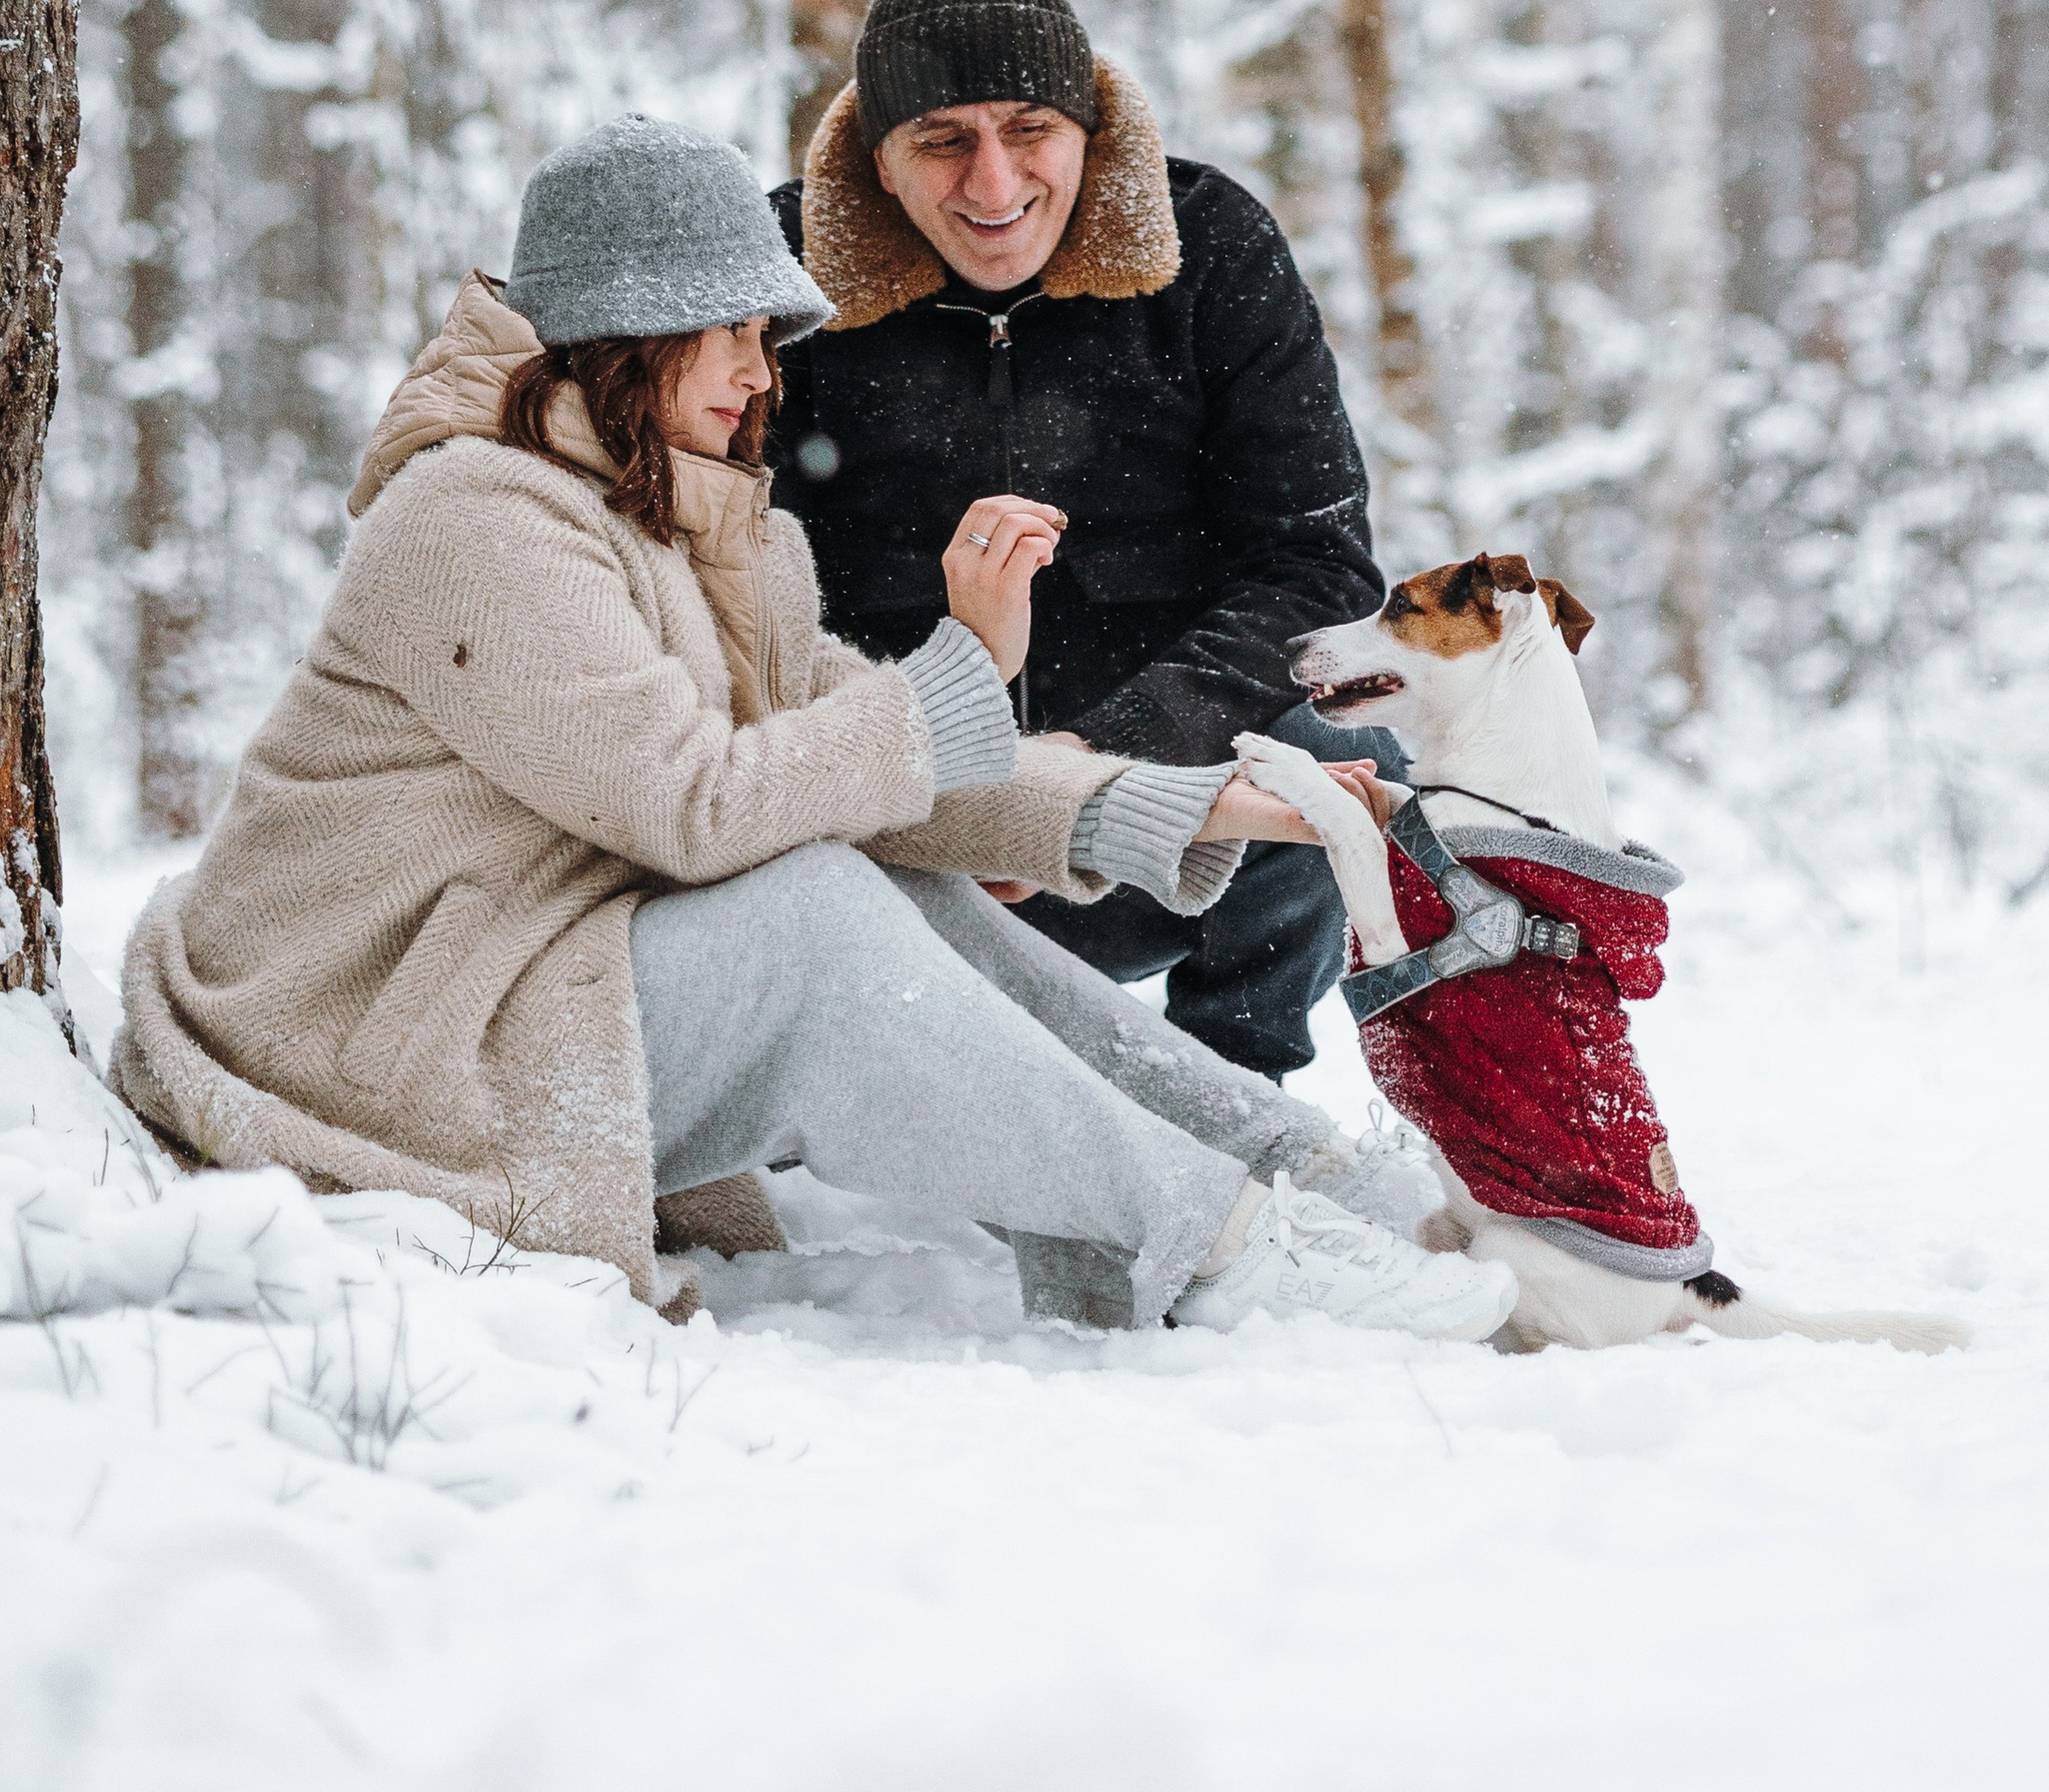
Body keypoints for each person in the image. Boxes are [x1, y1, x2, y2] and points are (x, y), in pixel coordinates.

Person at [113, 115, 1514, 1344]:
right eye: (725, 332)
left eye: (762, 336)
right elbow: (696, 806)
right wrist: (969, 656)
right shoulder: (476, 514)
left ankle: (1298, 1175)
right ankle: (1207, 1246)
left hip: (532, 977)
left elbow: (865, 757)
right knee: (810, 910)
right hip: (376, 1032)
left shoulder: (691, 525)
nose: (759, 371)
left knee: (881, 876)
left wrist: (1168, 806)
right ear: (625, 333)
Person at [772, 0, 1402, 1082]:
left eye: (1029, 129)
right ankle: (818, 1124)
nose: (995, 181)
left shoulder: (1210, 249)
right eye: (942, 139)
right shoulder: (780, 285)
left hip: (1159, 820)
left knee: (1344, 752)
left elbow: (1316, 571)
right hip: (890, 831)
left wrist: (1091, 762)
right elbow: (713, 592)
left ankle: (1230, 1100)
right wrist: (954, 788)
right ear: (876, 157)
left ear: (1089, 129)